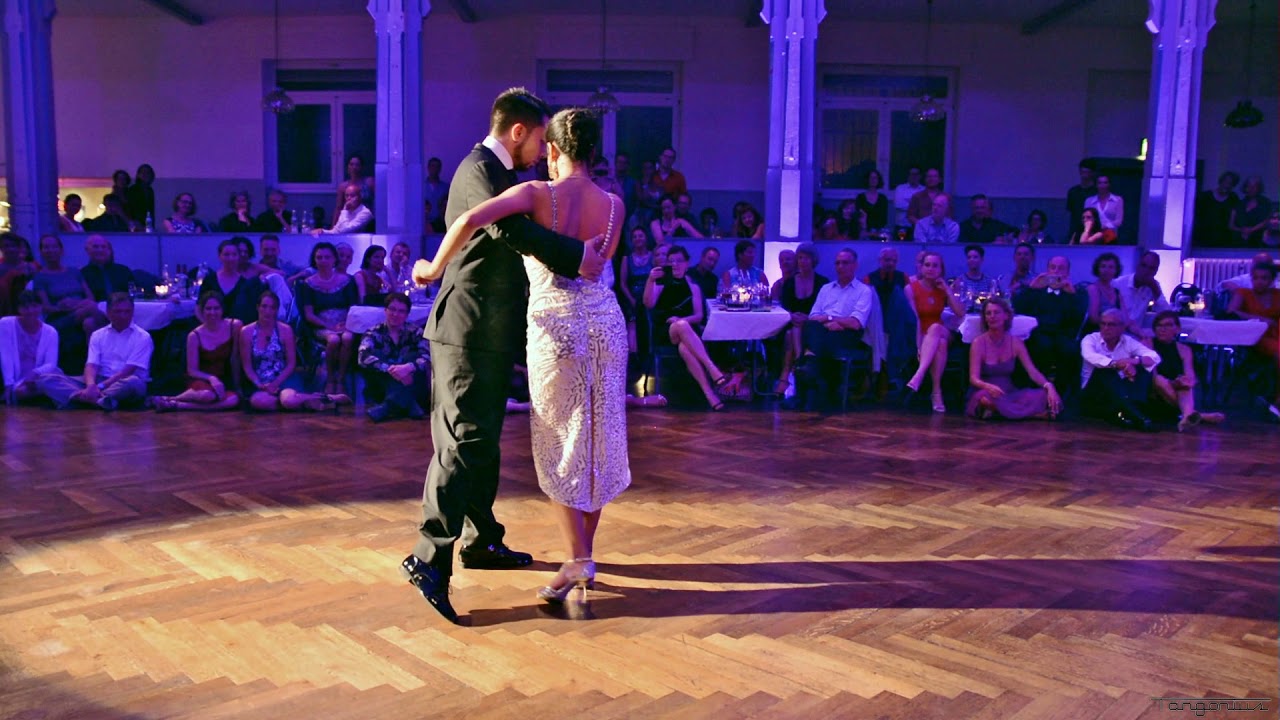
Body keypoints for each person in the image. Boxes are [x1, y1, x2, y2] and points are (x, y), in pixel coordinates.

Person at [399, 89, 608, 624]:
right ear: (519, 131)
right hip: (464, 331)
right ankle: (428, 560)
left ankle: (481, 540)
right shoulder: (477, 169)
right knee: (461, 443)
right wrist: (576, 254)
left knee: (482, 443)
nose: (543, 151)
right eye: (540, 139)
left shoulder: (501, 175)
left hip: (488, 333)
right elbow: (508, 229)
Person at [644, 244, 729, 411]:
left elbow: (698, 316)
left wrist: (681, 319)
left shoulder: (693, 287)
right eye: (671, 261)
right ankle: (712, 368)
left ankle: (709, 394)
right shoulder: (660, 283)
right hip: (665, 330)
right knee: (680, 326)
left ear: (687, 263)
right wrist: (650, 280)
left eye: (679, 261)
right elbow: (648, 303)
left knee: (684, 347)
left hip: (687, 332)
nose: (674, 264)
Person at [36, 292, 152, 411]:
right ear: (108, 312)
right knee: (45, 378)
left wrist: (100, 386)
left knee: (133, 383)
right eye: (118, 311)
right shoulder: (98, 335)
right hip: (99, 380)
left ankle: (81, 399)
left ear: (132, 312)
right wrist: (91, 385)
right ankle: (100, 401)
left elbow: (128, 371)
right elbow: (91, 365)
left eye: (127, 311)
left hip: (123, 382)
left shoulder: (143, 337)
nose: (123, 316)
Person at [239, 290, 338, 412]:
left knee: (287, 400)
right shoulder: (246, 332)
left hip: (284, 378)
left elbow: (291, 364)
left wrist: (275, 383)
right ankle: (311, 401)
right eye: (264, 306)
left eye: (272, 308)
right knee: (258, 402)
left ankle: (310, 400)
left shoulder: (285, 330)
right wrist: (259, 384)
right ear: (257, 307)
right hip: (261, 382)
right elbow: (247, 366)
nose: (267, 311)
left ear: (276, 310)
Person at [965, 297, 1062, 420]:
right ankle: (1034, 415)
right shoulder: (978, 342)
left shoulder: (1015, 342)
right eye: (988, 313)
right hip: (987, 391)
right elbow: (974, 378)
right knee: (984, 400)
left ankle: (1001, 412)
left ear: (1006, 316)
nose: (992, 316)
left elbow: (1032, 371)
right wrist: (987, 386)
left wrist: (1048, 385)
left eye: (996, 312)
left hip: (1009, 392)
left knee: (1042, 396)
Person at [149, 292, 242, 412]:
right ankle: (174, 398)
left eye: (216, 308)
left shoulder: (234, 326)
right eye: (208, 309)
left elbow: (235, 358)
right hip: (201, 378)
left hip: (223, 379)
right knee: (207, 396)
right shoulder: (194, 335)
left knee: (233, 400)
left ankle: (176, 404)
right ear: (202, 311)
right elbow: (192, 370)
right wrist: (211, 378)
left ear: (222, 309)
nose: (212, 312)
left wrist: (238, 386)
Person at [904, 251, 966, 412]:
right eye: (927, 265)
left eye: (935, 266)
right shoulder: (911, 288)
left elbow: (960, 312)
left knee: (937, 328)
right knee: (941, 344)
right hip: (924, 336)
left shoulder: (941, 289)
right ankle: (936, 392)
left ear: (941, 269)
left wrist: (947, 289)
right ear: (921, 267)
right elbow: (915, 319)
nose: (931, 269)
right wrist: (918, 347)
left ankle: (919, 374)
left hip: (940, 329)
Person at [1079, 308, 1160, 430]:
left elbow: (1154, 357)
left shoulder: (1128, 341)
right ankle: (1137, 416)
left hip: (1121, 391)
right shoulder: (1090, 339)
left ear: (1122, 327)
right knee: (1106, 371)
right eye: (1103, 323)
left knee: (1143, 368)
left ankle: (1132, 410)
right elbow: (1090, 356)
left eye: (1111, 324)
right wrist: (1117, 364)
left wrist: (1133, 361)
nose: (1106, 328)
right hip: (1094, 393)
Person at [296, 242, 358, 398]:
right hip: (319, 324)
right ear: (314, 260)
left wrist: (345, 323)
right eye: (319, 257)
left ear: (334, 259)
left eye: (327, 257)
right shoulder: (307, 284)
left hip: (345, 322)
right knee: (333, 340)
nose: (323, 261)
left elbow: (354, 308)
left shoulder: (348, 281)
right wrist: (329, 325)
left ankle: (341, 379)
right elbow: (309, 314)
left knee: (348, 337)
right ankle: (330, 379)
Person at [1145, 310, 1225, 430]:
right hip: (1154, 390)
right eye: (1159, 325)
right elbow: (1152, 375)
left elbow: (1190, 376)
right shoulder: (1148, 344)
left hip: (1177, 390)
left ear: (1177, 329)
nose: (1162, 329)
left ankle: (1187, 415)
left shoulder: (1184, 349)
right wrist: (1170, 383)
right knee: (1159, 380)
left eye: (1167, 325)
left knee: (1185, 383)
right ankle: (1196, 415)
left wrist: (1182, 381)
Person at [358, 293, 431, 422]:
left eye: (401, 311)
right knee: (377, 355)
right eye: (392, 309)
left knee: (413, 356)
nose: (396, 314)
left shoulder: (416, 332)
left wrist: (408, 367)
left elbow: (429, 355)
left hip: (412, 383)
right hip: (382, 385)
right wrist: (392, 370)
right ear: (385, 310)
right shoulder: (374, 332)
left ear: (407, 314)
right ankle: (410, 404)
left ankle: (388, 406)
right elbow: (362, 357)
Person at [1225, 261, 1280, 420]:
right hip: (1255, 337)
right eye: (1256, 278)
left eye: (1264, 278)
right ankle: (1277, 400)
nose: (1259, 281)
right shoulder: (1243, 293)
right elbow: (1231, 312)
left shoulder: (1277, 294)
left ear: (1272, 279)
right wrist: (1259, 318)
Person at [1, 292, 59, 404]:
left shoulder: (51, 332)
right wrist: (9, 384)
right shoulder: (6, 324)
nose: (31, 310)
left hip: (38, 377)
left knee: (52, 378)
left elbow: (51, 364)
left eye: (34, 306)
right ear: (19, 309)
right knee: (20, 392)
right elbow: (5, 354)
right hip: (13, 378)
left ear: (41, 307)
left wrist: (34, 373)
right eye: (25, 307)